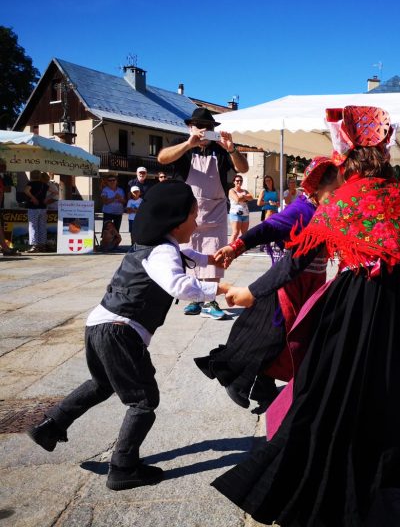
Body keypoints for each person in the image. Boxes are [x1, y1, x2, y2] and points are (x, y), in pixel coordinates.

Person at [212, 105, 400, 526]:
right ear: (385, 155)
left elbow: (296, 259)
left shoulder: (341, 202)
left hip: (354, 302)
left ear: (346, 162)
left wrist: (251, 290)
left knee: (331, 388)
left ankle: (328, 475)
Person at [26, 180, 231, 491]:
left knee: (100, 384)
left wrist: (208, 260)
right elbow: (178, 285)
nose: (197, 221)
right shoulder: (163, 252)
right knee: (144, 401)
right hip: (121, 331)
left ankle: (50, 426)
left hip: (98, 324)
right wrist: (219, 289)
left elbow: (184, 254)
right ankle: (123, 467)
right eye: (193, 215)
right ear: (175, 220)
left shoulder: (156, 245)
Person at [194, 158, 340, 414]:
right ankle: (240, 381)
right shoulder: (302, 210)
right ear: (317, 186)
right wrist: (236, 246)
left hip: (313, 283)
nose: (340, 195)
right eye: (335, 190)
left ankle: (264, 386)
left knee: (292, 338)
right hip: (289, 283)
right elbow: (269, 227)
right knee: (274, 337)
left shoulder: (329, 211)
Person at [157, 107, 249, 320]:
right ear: (191, 127)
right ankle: (195, 299)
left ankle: (210, 300)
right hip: (189, 211)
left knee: (215, 255)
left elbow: (242, 169)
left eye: (208, 127)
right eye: (199, 126)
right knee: (189, 255)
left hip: (215, 211)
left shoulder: (220, 150)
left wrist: (232, 149)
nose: (203, 131)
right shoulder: (181, 145)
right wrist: (189, 144)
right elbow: (162, 158)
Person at [23, 170, 50, 253]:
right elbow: (55, 192)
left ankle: (35, 246)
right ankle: (42, 246)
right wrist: (46, 199)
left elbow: (26, 191)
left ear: (31, 176)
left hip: (33, 207)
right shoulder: (44, 185)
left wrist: (33, 198)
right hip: (43, 208)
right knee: (42, 226)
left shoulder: (30, 184)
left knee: (33, 226)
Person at [227, 175, 253, 244]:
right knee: (236, 233)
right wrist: (245, 198)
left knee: (244, 234)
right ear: (234, 182)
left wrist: (243, 196)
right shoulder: (231, 190)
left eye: (240, 180)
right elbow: (237, 199)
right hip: (235, 214)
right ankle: (230, 248)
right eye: (237, 181)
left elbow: (251, 198)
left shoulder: (245, 191)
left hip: (245, 214)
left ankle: (241, 248)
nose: (239, 182)